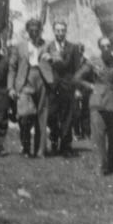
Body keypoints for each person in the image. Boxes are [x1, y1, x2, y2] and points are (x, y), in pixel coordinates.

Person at [74, 36, 113, 174]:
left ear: (112, 47)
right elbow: (77, 78)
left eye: (109, 46)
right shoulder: (93, 62)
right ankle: (100, 166)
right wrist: (90, 86)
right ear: (99, 48)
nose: (106, 49)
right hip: (97, 102)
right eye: (103, 46)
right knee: (98, 136)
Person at [8, 18, 54, 157]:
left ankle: (40, 150)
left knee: (42, 116)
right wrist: (10, 87)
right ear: (28, 31)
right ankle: (26, 147)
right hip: (25, 81)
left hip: (42, 80)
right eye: (31, 30)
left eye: (37, 30)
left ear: (40, 31)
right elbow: (12, 67)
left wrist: (50, 57)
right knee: (24, 116)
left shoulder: (46, 45)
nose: (34, 33)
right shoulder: (20, 46)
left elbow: (57, 57)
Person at [45, 20, 82, 156]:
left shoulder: (73, 48)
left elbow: (77, 70)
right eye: (57, 30)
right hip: (53, 87)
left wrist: (77, 89)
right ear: (54, 31)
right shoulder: (48, 47)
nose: (60, 33)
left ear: (66, 31)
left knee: (67, 117)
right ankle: (54, 136)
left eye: (62, 30)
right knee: (51, 115)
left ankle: (66, 147)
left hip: (67, 87)